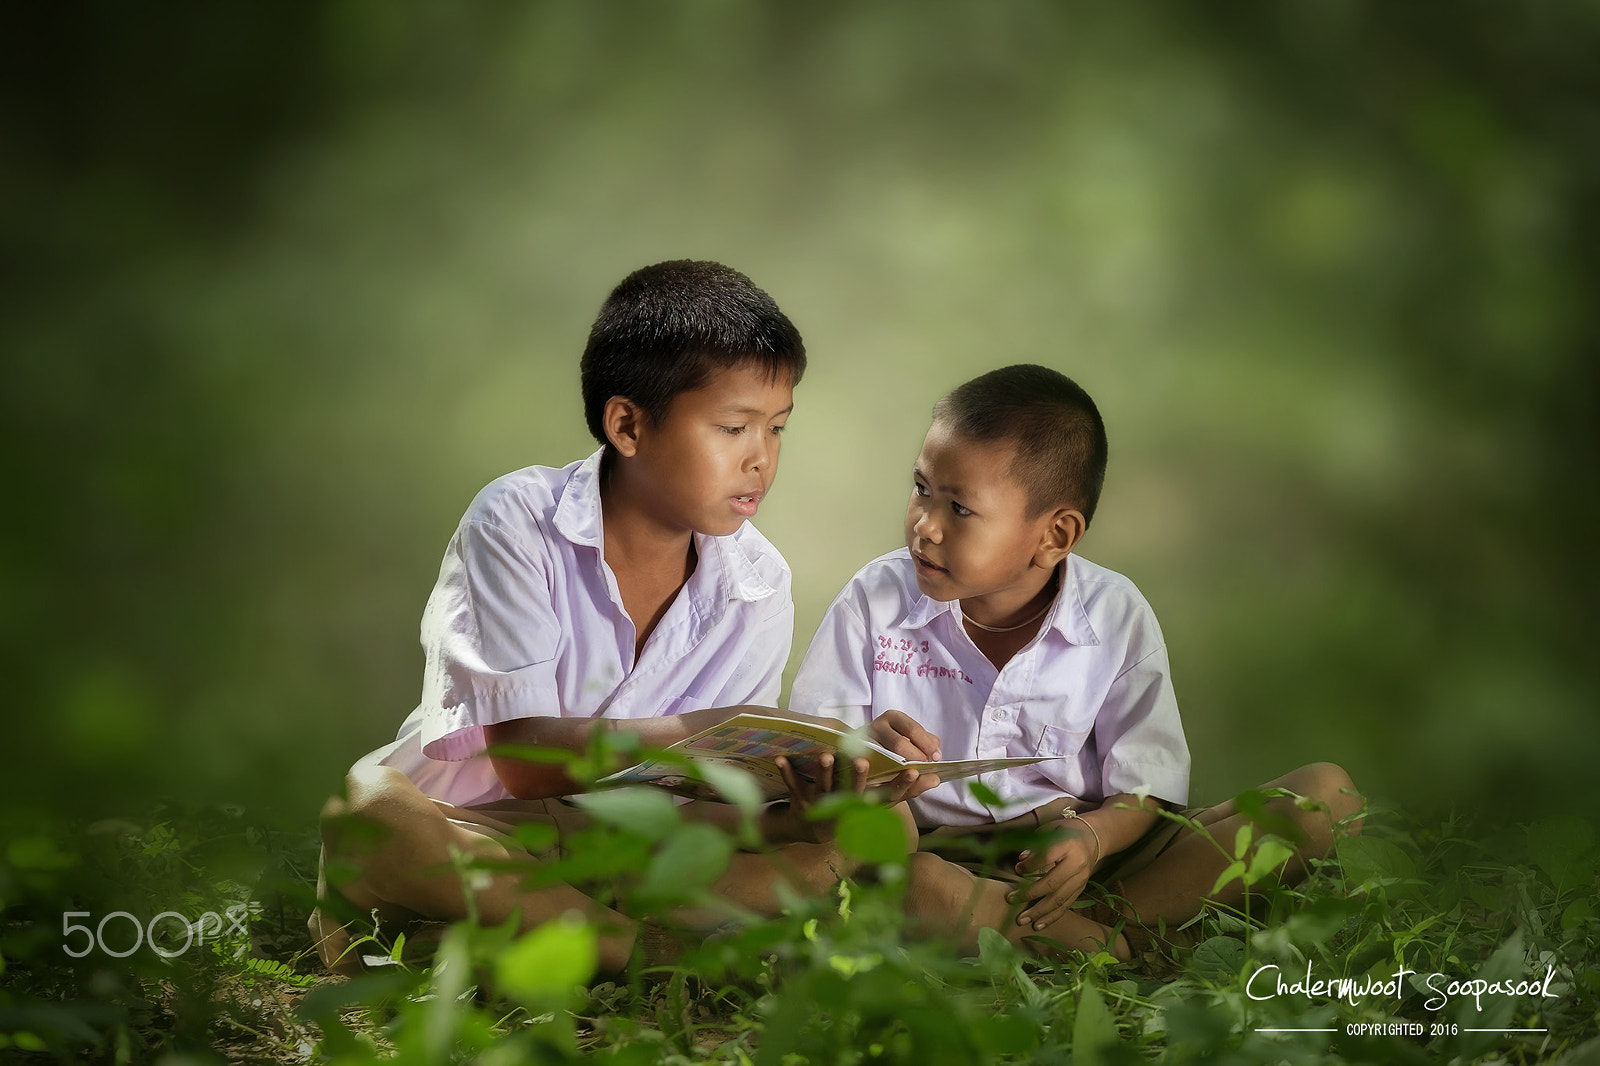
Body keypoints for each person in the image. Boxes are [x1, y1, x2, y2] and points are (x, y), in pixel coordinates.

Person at [309, 260, 920, 978]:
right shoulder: (517, 521)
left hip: (620, 853)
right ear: (627, 424)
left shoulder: (758, 585)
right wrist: (715, 726)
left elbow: (697, 807)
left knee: (880, 829)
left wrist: (809, 794)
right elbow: (527, 761)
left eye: (777, 428)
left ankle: (535, 944)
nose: (761, 459)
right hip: (475, 839)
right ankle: (649, 954)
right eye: (732, 427)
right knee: (369, 810)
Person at [790, 363, 1363, 964]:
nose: (925, 526)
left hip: (1088, 853)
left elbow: (1146, 785)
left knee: (1328, 797)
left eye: (959, 509)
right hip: (935, 854)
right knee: (916, 887)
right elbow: (813, 752)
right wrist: (861, 755)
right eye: (921, 488)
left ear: (1056, 535)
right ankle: (1122, 948)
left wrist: (1092, 838)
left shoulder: (1114, 616)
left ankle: (1086, 934)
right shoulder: (874, 599)